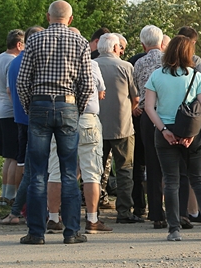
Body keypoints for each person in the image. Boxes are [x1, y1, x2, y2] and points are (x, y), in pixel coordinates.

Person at [16, 0, 94, 245]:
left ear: (48, 16)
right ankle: (71, 232)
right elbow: (88, 85)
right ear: (70, 20)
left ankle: (36, 233)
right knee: (70, 173)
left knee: (38, 172)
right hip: (68, 104)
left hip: (39, 104)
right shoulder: (80, 42)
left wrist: (31, 106)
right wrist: (76, 108)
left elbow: (21, 82)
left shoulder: (34, 41)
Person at [144, 35, 201, 241]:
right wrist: (192, 133)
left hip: (165, 133)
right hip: (192, 135)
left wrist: (164, 130)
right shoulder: (195, 76)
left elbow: (149, 107)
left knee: (171, 181)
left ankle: (174, 229)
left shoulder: (156, 76)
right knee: (198, 179)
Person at [46, 35, 110, 234]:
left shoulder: (53, 64)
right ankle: (91, 218)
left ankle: (53, 217)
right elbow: (100, 90)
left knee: (56, 170)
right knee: (91, 171)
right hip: (87, 118)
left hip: (62, 115)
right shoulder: (91, 64)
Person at [95, 33, 142, 223]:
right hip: (122, 125)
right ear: (115, 48)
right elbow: (136, 97)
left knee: (96, 171)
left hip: (97, 125)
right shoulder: (125, 67)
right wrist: (128, 111)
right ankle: (124, 211)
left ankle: (93, 210)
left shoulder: (91, 65)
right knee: (125, 169)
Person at [0, 26, 44, 227]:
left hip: (19, 116)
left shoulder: (14, 62)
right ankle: (25, 207)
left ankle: (18, 204)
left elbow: (10, 91)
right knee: (33, 165)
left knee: (21, 162)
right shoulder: (33, 62)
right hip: (34, 117)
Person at [0, 30, 25, 204]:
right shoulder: (13, 61)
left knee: (9, 157)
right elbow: (11, 89)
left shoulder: (0, 57)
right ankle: (13, 195)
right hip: (10, 112)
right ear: (19, 44)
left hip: (0, 111)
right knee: (16, 156)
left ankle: (5, 194)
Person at [133, 25, 168, 228]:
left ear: (143, 44)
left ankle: (155, 212)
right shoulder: (169, 60)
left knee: (152, 163)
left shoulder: (139, 63)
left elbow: (138, 87)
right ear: (162, 42)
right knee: (173, 163)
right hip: (168, 112)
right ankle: (177, 209)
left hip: (148, 113)